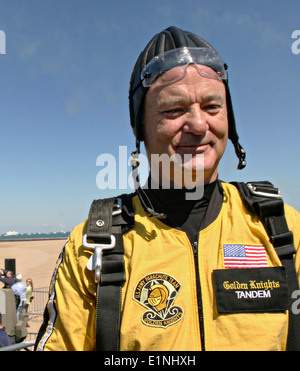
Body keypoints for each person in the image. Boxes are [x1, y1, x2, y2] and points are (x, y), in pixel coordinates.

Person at [35, 26, 300, 351]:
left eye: (212, 107)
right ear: (141, 129)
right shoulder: (93, 246)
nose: (199, 125)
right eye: (174, 110)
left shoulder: (281, 229)